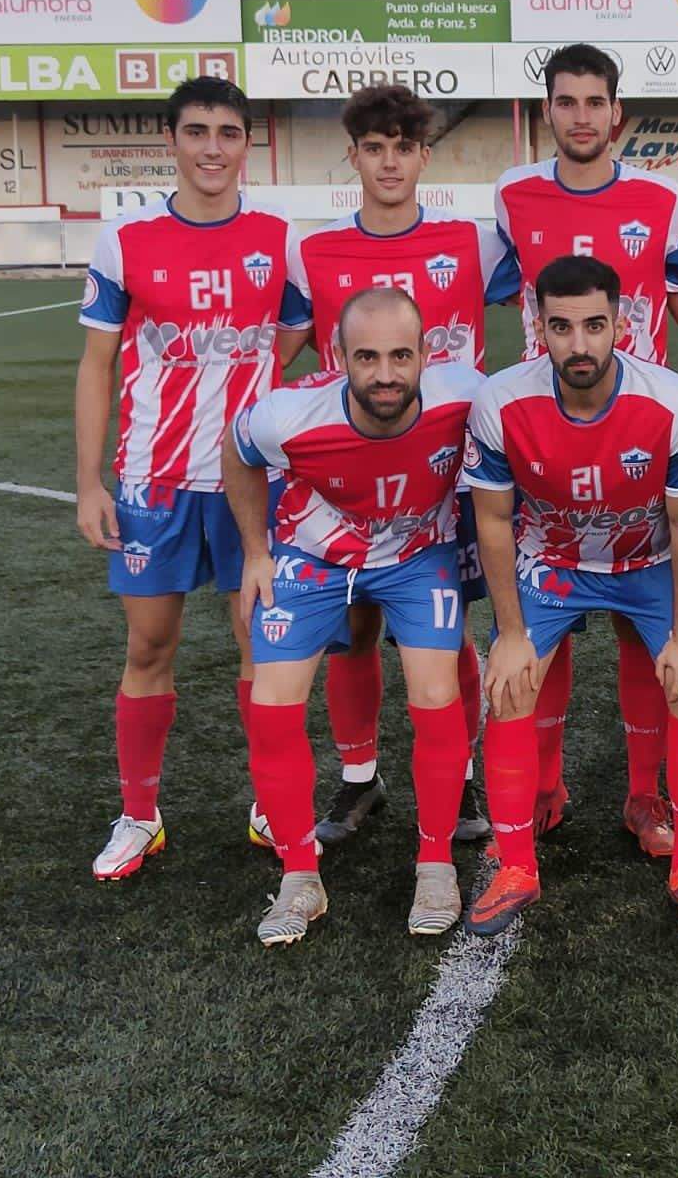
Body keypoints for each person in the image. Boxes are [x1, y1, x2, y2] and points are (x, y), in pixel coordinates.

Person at [77, 77, 301, 881]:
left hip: (248, 480)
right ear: (171, 139)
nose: (213, 147)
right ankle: (139, 814)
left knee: (259, 642)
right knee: (149, 644)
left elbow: (295, 333)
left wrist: (251, 401)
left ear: (248, 144)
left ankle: (272, 803)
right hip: (152, 477)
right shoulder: (126, 241)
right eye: (198, 130)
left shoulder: (280, 240)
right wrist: (89, 482)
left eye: (229, 132)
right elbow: (97, 364)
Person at [491, 43, 678, 856]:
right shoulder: (511, 196)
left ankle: (645, 797)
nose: (581, 115)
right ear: (548, 109)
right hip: (542, 442)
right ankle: (544, 788)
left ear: (616, 112)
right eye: (566, 100)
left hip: (639, 438)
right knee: (541, 626)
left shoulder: (662, 198)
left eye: (596, 101)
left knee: (635, 627)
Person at [278, 83, 509, 851]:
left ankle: (464, 766)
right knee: (353, 626)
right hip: (351, 480)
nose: (387, 162)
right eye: (372, 149)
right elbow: (284, 363)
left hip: (448, 476)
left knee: (452, 629)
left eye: (401, 147)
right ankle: (359, 778)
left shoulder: (472, 242)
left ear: (423, 156)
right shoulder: (315, 254)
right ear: (353, 157)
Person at [460, 255, 678, 936]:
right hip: (552, 562)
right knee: (508, 684)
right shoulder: (501, 401)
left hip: (649, 560)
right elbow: (492, 520)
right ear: (537, 325)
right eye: (562, 327)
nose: (579, 345)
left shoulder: (672, 400)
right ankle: (517, 864)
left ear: (621, 324)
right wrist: (510, 632)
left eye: (594, 325)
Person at [224, 288, 481, 945]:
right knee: (274, 705)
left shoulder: (465, 395)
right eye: (367, 357)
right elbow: (238, 451)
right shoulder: (289, 416)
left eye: (401, 355)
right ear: (338, 356)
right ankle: (298, 876)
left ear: (427, 353)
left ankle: (435, 863)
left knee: (434, 691)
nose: (387, 374)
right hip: (316, 557)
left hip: (418, 556)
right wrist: (256, 551)